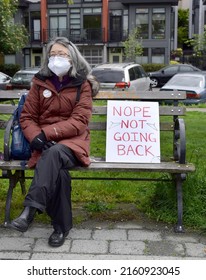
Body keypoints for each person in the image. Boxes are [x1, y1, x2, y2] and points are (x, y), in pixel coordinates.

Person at [9, 37, 99, 247]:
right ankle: (61, 227)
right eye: (53, 55)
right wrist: (36, 138)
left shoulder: (82, 84)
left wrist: (47, 134)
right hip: (44, 145)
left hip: (73, 143)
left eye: (62, 55)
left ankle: (30, 210)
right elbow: (27, 117)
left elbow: (79, 121)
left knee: (55, 153)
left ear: (73, 58)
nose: (57, 59)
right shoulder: (40, 83)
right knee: (57, 170)